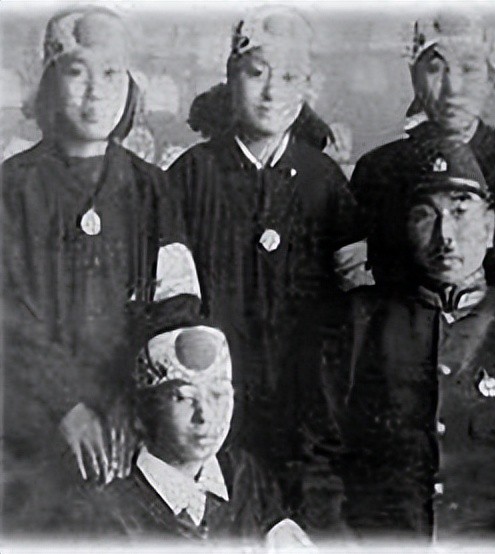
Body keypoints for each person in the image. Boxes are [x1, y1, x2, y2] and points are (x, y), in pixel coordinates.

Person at [1, 6, 200, 532]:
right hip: (28, 431)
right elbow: (7, 318)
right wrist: (66, 404)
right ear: (48, 81)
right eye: (76, 72)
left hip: (128, 428)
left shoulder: (152, 188)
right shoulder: (11, 187)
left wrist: (135, 403)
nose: (96, 92)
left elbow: (177, 303)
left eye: (111, 73)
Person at [320, 140, 495, 543]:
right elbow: (316, 456)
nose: (446, 237)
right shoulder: (362, 323)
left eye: (461, 213)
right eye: (426, 215)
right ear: (406, 227)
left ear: (489, 229)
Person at [166, 6, 365, 526]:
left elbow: (354, 306)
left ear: (307, 85)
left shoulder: (324, 181)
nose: (273, 93)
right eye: (257, 74)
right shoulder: (191, 175)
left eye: (290, 78)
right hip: (215, 405)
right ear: (231, 77)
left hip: (306, 408)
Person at [350, 12, 495, 305]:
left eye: (469, 69)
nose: (453, 88)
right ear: (415, 78)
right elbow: (353, 280)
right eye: (435, 69)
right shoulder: (378, 170)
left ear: (491, 77)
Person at [65, 323, 315, 548]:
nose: (204, 415)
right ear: (147, 410)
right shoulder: (110, 512)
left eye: (218, 394)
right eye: (183, 398)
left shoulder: (244, 476)